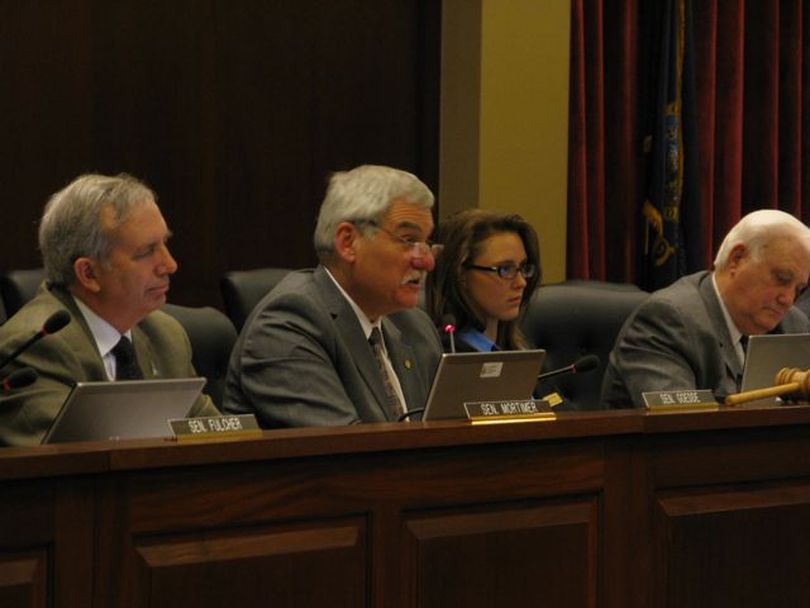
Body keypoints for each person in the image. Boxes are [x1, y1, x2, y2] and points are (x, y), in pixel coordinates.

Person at [0, 173, 219, 447]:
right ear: (89, 273)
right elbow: (65, 466)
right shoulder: (34, 347)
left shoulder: (166, 336)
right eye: (147, 251)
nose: (170, 264)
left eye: (165, 243)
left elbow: (220, 441)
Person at [223, 164, 443, 427]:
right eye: (408, 240)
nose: (427, 261)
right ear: (348, 242)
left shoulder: (414, 325)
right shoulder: (287, 324)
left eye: (426, 243)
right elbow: (346, 452)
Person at [601, 209, 810, 408]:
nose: (788, 299)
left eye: (798, 289)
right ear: (737, 259)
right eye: (781, 279)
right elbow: (682, 429)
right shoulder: (667, 321)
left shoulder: (794, 325)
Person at [424, 209, 541, 352]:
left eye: (523, 267)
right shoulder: (440, 357)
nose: (522, 283)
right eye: (504, 269)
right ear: (461, 274)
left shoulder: (519, 350)